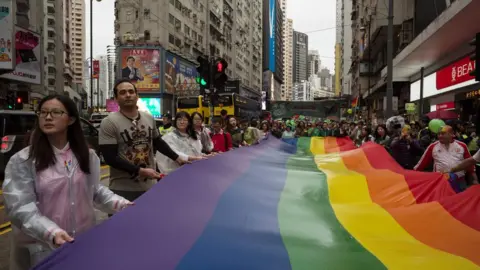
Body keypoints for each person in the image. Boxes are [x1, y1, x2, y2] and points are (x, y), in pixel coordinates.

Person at [3, 95, 131, 270]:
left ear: (70, 119)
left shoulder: (86, 155)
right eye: (43, 112)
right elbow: (20, 207)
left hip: (81, 243)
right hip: (42, 248)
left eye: (56, 112)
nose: (48, 117)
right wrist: (50, 232)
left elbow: (94, 190)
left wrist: (122, 204)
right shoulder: (24, 160)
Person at [99, 79, 190, 202]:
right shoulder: (108, 122)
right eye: (123, 92)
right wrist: (140, 171)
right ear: (116, 98)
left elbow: (158, 142)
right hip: (122, 190)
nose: (128, 95)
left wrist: (177, 158)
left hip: (150, 187)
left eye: (131, 91)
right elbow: (110, 158)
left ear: (137, 96)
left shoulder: (148, 117)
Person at [414, 125, 477, 190]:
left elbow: (470, 163)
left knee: (460, 200)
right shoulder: (433, 146)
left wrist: (475, 179)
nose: (440, 136)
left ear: (451, 134)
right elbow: (422, 163)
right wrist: (411, 175)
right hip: (440, 181)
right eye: (438, 134)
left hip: (459, 181)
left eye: (443, 133)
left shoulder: (462, 146)